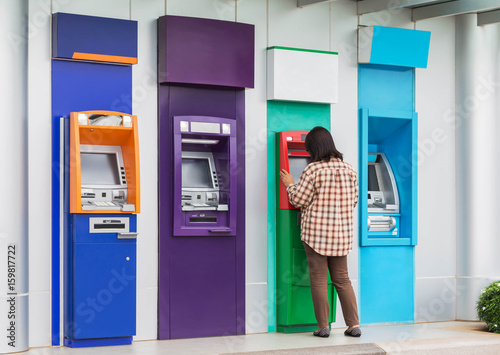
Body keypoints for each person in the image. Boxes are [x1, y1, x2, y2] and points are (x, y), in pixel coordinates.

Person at [279, 126, 361, 338]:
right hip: (341, 236)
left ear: (313, 148)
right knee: (343, 279)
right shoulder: (349, 169)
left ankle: (323, 326)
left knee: (318, 279)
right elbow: (353, 201)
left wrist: (290, 184)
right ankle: (353, 325)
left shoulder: (312, 170)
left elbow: (298, 199)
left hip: (316, 235)